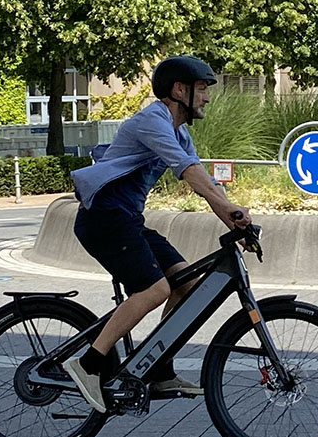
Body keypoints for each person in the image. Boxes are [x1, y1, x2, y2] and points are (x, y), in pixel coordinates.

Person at [62, 55, 252, 413]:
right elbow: (188, 171)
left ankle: (159, 367)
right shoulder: (153, 120)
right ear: (179, 90)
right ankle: (87, 365)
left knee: (186, 284)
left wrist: (235, 221)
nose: (207, 98)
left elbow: (205, 182)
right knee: (154, 288)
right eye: (201, 89)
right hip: (103, 218)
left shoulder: (180, 132)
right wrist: (228, 212)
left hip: (126, 219)